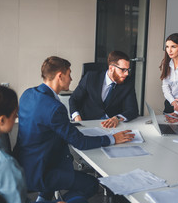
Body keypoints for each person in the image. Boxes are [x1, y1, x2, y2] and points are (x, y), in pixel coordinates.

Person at [13, 56, 134, 203]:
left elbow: (44, 126)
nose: (71, 79)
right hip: (41, 172)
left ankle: (42, 199)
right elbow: (80, 143)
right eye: (69, 74)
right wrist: (113, 138)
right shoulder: (55, 108)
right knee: (91, 185)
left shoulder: (28, 94)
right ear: (60, 76)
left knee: (59, 167)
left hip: (24, 165)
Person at [69, 51, 138, 128]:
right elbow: (74, 99)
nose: (126, 74)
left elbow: (132, 110)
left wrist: (117, 118)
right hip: (88, 122)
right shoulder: (90, 77)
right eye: (123, 70)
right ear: (111, 68)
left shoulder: (128, 83)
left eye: (128, 70)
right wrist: (76, 117)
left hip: (112, 126)